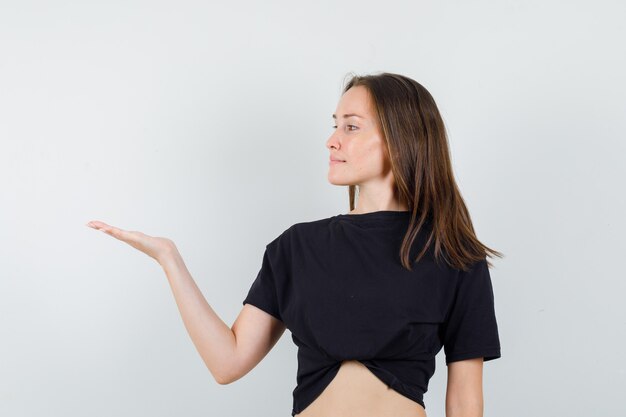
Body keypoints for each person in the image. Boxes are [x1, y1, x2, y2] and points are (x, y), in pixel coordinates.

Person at [86, 71, 503, 417]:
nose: (332, 140)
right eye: (334, 124)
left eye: (351, 126)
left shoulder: (454, 256)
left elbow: (465, 399)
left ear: (401, 139)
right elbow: (227, 363)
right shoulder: (297, 247)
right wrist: (170, 260)